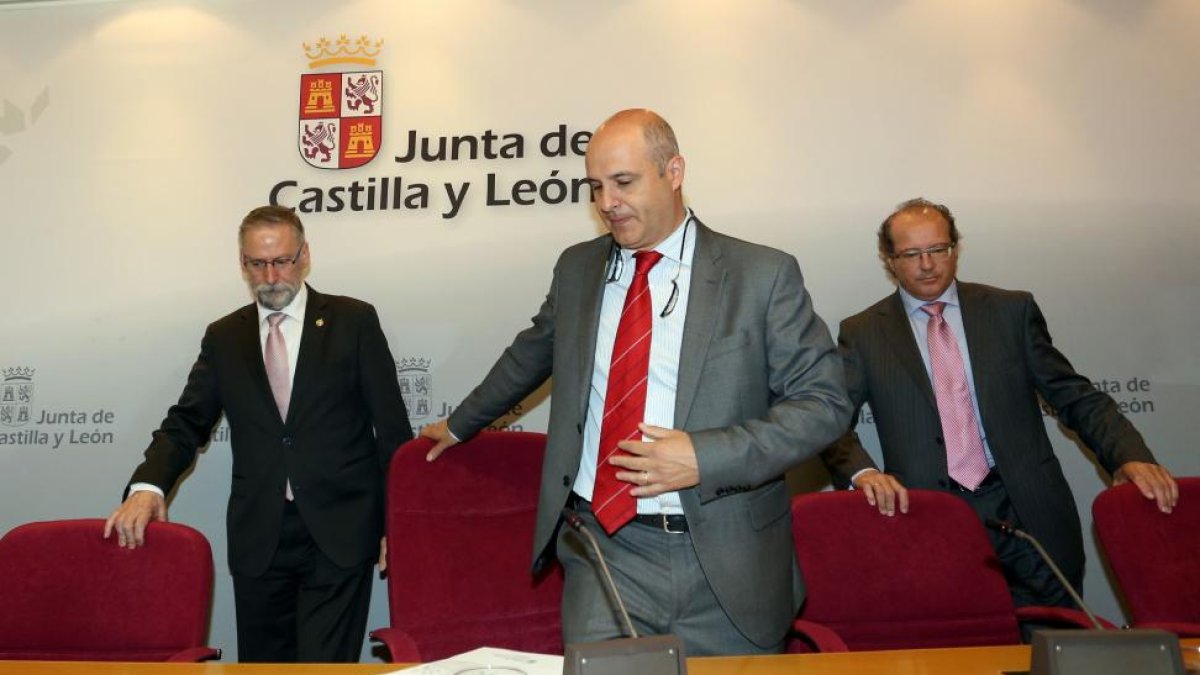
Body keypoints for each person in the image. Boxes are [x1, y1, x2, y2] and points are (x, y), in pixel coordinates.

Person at [421, 109, 851, 655]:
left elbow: (823, 404)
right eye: (595, 187)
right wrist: (460, 425)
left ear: (674, 171)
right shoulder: (577, 269)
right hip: (603, 550)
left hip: (724, 558)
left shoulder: (761, 275)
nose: (606, 203)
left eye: (623, 182)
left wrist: (705, 455)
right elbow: (532, 352)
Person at [820, 197, 1178, 609]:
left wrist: (1128, 456)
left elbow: (1074, 395)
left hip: (1029, 512)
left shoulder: (1011, 311)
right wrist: (862, 472)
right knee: (955, 651)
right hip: (929, 516)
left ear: (955, 249)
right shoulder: (863, 332)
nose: (927, 264)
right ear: (889, 260)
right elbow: (828, 420)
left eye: (938, 249)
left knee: (1051, 645)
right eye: (912, 254)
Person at [104, 205, 411, 662]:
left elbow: (391, 430)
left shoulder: (354, 321)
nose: (271, 276)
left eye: (282, 260)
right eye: (257, 264)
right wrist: (149, 485)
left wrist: (400, 520)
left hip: (340, 529)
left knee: (324, 670)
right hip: (260, 536)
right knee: (263, 669)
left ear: (305, 256)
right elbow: (186, 422)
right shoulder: (225, 336)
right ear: (242, 264)